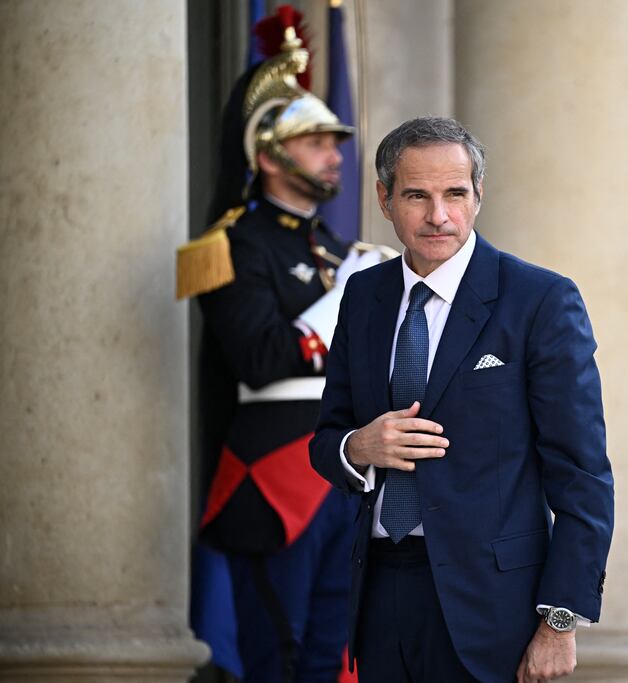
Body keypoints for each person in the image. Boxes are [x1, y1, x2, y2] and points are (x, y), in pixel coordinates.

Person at [308, 116, 615, 683]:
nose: (438, 216)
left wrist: (560, 620)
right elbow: (327, 440)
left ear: (478, 195)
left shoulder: (540, 300)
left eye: (455, 194)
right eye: (416, 195)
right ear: (384, 198)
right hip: (377, 596)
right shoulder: (363, 295)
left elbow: (582, 473)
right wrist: (361, 447)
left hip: (494, 611)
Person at [176, 6, 396, 681]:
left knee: (339, 654)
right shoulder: (232, 246)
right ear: (269, 153)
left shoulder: (338, 248)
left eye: (335, 140)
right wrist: (346, 301)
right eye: (317, 142)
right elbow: (262, 357)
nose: (337, 154)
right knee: (281, 654)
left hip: (351, 470)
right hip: (275, 474)